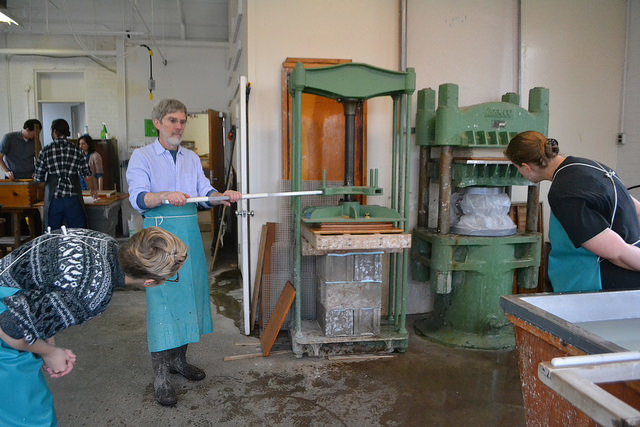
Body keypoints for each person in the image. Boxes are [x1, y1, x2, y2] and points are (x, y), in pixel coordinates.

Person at [0, 226, 188, 426]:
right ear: (150, 282)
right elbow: (9, 329)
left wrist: (46, 335)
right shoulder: (93, 292)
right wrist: (49, 352)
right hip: (6, 316)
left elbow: (47, 284)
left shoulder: (103, 240)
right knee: (30, 419)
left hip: (11, 285)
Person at [126, 98, 241, 407]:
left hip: (189, 234)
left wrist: (221, 196)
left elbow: (203, 193)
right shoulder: (143, 156)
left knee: (189, 295)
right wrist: (164, 195)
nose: (178, 126)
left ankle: (179, 361)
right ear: (158, 123)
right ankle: (161, 376)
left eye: (182, 121)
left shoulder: (190, 157)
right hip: (159, 239)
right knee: (163, 302)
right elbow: (137, 198)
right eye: (173, 120)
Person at [505, 130, 640, 292]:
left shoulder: (563, 193)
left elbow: (617, 252)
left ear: (526, 168)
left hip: (604, 286)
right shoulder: (590, 166)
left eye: (517, 168)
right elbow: (634, 208)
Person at [34, 118, 97, 231]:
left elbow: (40, 180)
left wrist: (44, 186)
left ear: (54, 131)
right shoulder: (77, 150)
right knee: (78, 234)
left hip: (54, 200)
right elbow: (87, 176)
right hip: (73, 199)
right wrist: (93, 189)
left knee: (52, 235)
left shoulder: (45, 151)